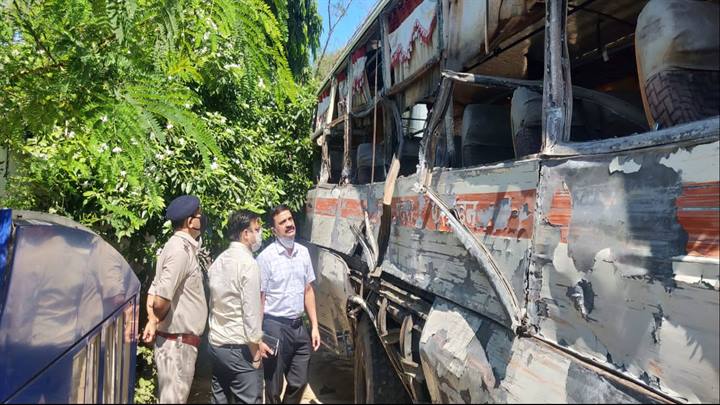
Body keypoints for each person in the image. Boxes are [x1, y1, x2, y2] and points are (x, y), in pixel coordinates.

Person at [142, 195, 208, 404]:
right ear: (190, 221)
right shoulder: (180, 251)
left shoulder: (177, 247)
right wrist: (155, 319)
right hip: (177, 345)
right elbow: (161, 299)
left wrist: (152, 320)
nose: (202, 218)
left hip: (178, 343)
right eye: (199, 215)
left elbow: (154, 288)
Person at [257, 205, 321, 404]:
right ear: (274, 230)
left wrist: (314, 326)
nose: (288, 224)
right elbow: (260, 298)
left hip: (298, 327)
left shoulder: (303, 252)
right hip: (274, 327)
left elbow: (308, 290)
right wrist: (258, 335)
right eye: (282, 222)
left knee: (300, 381)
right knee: (273, 387)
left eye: (290, 219)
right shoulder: (266, 258)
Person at [207, 210, 271, 404]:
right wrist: (256, 354)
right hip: (239, 349)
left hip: (217, 345)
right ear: (245, 234)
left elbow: (213, 303)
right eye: (256, 230)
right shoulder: (248, 264)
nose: (259, 235)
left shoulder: (219, 261)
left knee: (220, 399)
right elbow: (251, 314)